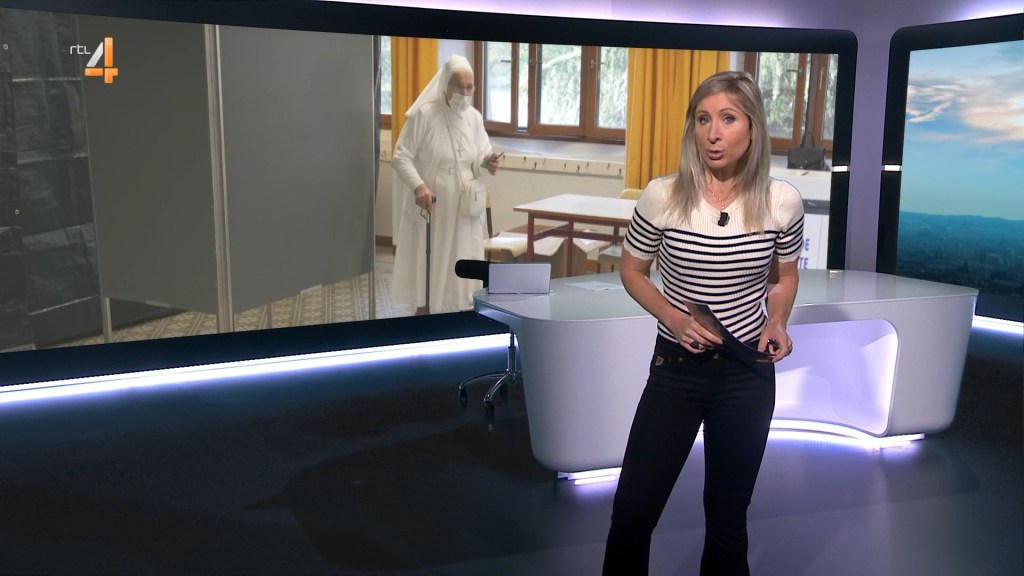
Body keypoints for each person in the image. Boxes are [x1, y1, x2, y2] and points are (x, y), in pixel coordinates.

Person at [602, 70, 804, 575]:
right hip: (677, 370)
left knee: (728, 521)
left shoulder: (781, 202)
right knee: (632, 513)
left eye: (728, 119)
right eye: (703, 119)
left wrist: (777, 321)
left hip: (745, 373)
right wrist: (673, 318)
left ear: (752, 128)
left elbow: (784, 278)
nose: (713, 133)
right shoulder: (662, 196)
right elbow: (632, 271)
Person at [390, 54, 502, 315]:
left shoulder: (474, 118)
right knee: (432, 263)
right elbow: (401, 156)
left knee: (463, 261)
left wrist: (488, 162)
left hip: (464, 208)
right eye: (458, 86)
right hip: (434, 207)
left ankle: (461, 311)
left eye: (469, 87)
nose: (464, 93)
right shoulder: (424, 114)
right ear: (446, 84)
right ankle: (427, 313)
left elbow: (481, 155)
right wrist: (418, 186)